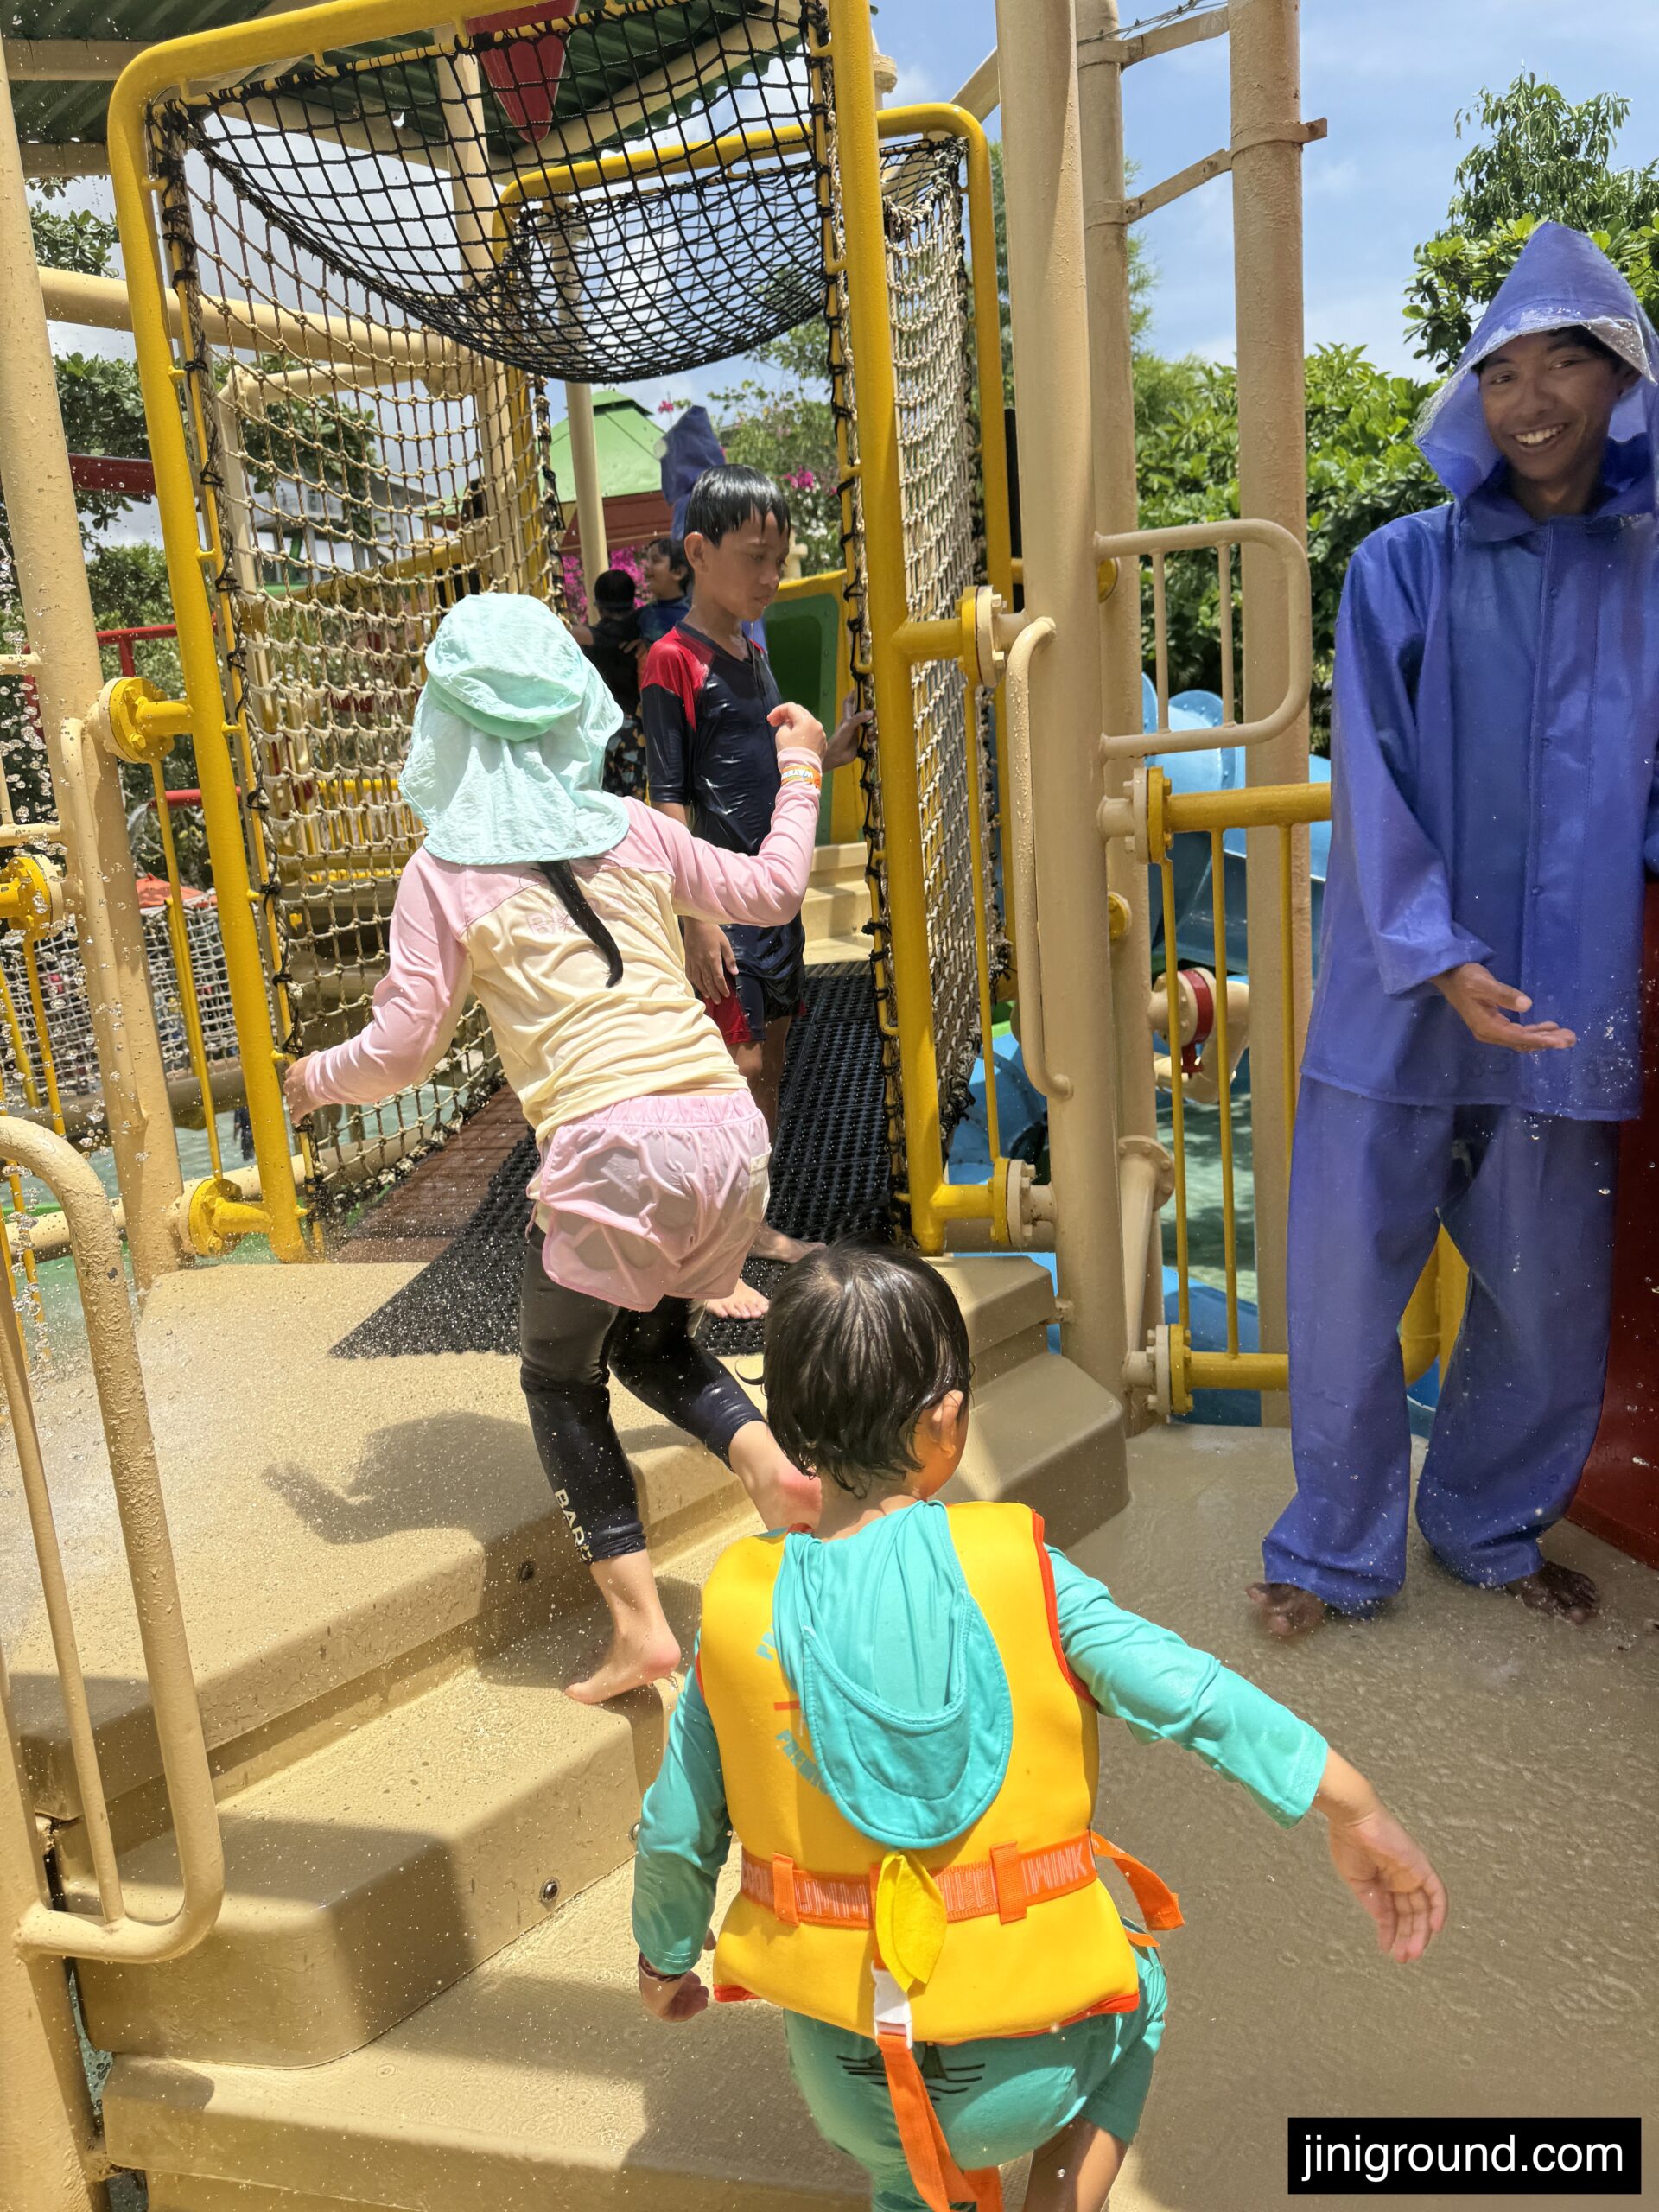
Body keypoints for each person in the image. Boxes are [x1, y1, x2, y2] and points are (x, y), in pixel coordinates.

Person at [632, 1243, 1445, 2212]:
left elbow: (677, 1834)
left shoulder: (735, 1609)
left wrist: (664, 1961)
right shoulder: (1028, 1575)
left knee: (905, 2160)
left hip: (845, 2065)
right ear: (947, 1418)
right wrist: (1351, 1807)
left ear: (788, 1427)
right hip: (1025, 2065)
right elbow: (1193, 1695)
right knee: (1138, 1999)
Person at [283, 594, 826, 1704]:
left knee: (557, 1376)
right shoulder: (632, 826)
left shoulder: (442, 871)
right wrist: (804, 766)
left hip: (612, 1154)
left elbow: (400, 1053)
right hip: (727, 1135)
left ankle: (640, 1631)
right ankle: (771, 1469)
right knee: (650, 1344)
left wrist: (312, 1082)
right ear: (571, 711)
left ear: (447, 728)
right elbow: (772, 889)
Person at [1252, 224, 1659, 1641]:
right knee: (1351, 1284)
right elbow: (1368, 775)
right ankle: (1331, 1550)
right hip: (1400, 992)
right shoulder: (1399, 568)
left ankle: (1487, 1525)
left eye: (1566, 364)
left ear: (1621, 383)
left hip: (1566, 1002)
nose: (1531, 398)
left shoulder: (1651, 577)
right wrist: (1438, 953)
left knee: (1548, 1299)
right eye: (1503, 370)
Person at [643, 463, 868, 1308]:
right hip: (723, 909)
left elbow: (764, 769)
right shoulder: (673, 659)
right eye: (755, 558)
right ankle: (703, 1247)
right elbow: (669, 798)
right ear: (698, 552)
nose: (772, 577)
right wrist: (695, 920)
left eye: (781, 558)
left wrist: (828, 750)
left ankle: (749, 1223)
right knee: (727, 1073)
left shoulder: (754, 648)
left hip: (773, 907)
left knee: (767, 1069)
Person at [576, 568, 647, 798]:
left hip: (600, 732)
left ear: (597, 605)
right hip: (636, 733)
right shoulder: (643, 634)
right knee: (636, 808)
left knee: (606, 801)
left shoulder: (592, 640)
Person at [638, 535, 692, 646]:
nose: (647, 566)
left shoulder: (692, 618)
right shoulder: (641, 617)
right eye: (647, 560)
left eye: (655, 560)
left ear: (678, 572)